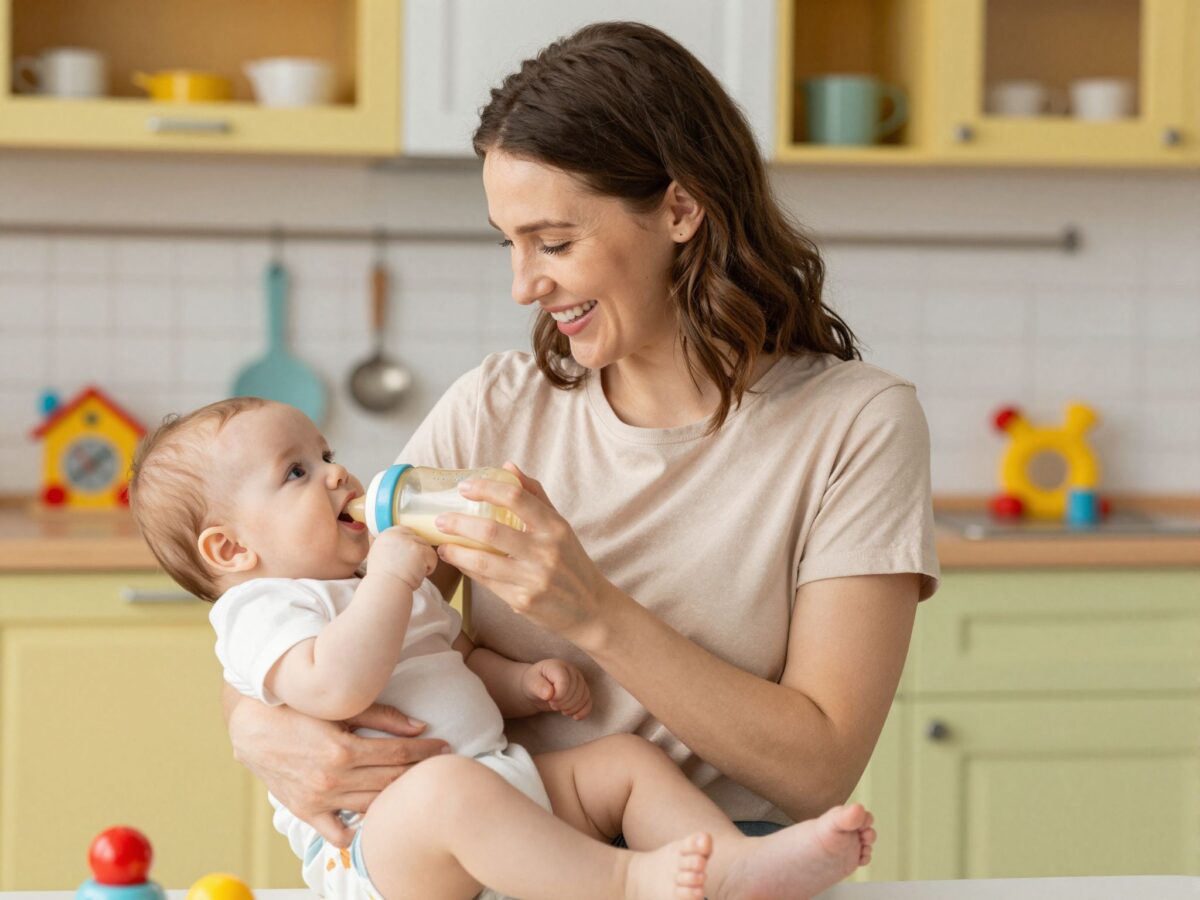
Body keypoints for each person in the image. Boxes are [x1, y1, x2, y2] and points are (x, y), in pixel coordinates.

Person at [225, 16, 939, 861]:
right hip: (506, 857)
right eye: (511, 244)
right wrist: (253, 728)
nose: (525, 284)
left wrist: (592, 611)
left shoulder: (856, 426)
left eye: (554, 242)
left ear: (680, 208)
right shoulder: (492, 408)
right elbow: (305, 607)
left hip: (722, 861)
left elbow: (820, 768)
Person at [128, 396, 876, 899]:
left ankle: (732, 866)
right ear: (229, 549)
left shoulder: (375, 576)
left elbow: (457, 655)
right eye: (296, 473)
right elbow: (333, 688)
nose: (336, 474)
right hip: (385, 847)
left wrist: (524, 684)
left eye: (325, 454)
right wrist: (391, 573)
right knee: (448, 792)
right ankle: (626, 883)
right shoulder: (263, 607)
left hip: (501, 784)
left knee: (622, 764)